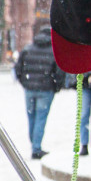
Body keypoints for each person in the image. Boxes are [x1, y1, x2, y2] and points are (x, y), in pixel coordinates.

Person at [13, 23, 62, 159]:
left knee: (31, 117)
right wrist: (56, 87)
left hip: (30, 89)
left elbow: (17, 69)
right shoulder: (54, 51)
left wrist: (25, 83)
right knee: (41, 118)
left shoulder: (27, 49)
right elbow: (59, 73)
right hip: (46, 90)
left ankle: (34, 144)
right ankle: (36, 148)